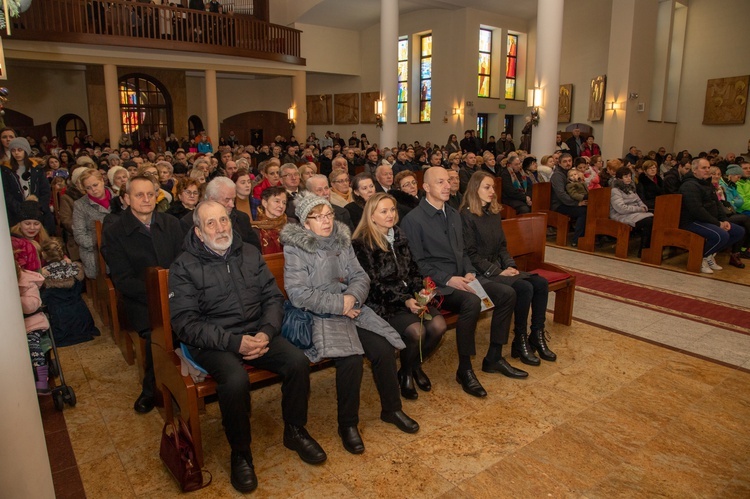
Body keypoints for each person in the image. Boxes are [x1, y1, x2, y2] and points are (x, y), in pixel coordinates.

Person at [280, 193, 419, 455]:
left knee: (382, 349)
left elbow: (360, 276)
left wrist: (352, 298)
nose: (326, 221)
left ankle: (392, 409)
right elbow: (298, 294)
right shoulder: (296, 248)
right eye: (318, 217)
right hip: (320, 315)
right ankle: (348, 424)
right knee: (351, 359)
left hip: (352, 308)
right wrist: (339, 304)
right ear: (305, 223)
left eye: (329, 215)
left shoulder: (342, 241)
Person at [401, 167, 523, 399]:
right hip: (435, 285)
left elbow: (463, 252)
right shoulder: (413, 220)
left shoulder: (453, 214)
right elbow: (417, 264)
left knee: (507, 293)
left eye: (448, 181)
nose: (447, 185)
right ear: (426, 187)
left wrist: (468, 271)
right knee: (471, 302)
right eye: (440, 182)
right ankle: (465, 369)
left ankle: (494, 356)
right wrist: (448, 278)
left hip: (461, 277)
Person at [352, 193, 447, 399]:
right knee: (416, 332)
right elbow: (372, 284)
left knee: (439, 326)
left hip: (408, 297)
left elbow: (413, 270)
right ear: (371, 215)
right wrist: (404, 299)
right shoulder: (362, 243)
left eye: (393, 210)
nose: (390, 215)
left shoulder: (399, 235)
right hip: (383, 303)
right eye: (384, 211)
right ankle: (408, 373)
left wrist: (420, 290)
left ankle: (409, 367)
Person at [102, 175, 184, 413]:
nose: (146, 199)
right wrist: (159, 295)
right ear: (126, 198)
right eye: (139, 195)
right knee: (157, 334)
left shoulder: (170, 223)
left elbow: (184, 262)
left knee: (197, 322)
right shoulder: (115, 231)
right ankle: (152, 389)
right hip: (142, 301)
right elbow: (122, 279)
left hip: (177, 294)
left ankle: (193, 379)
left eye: (151, 194)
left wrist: (177, 292)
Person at [460, 171, 555, 366]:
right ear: (474, 189)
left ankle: (536, 334)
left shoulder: (493, 213)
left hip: (498, 267)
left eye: (493, 187)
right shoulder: (466, 215)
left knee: (540, 283)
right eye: (487, 187)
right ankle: (519, 339)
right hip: (480, 272)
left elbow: (502, 247)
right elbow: (471, 254)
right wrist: (497, 271)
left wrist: (510, 266)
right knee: (524, 287)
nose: (492, 191)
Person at [678, 158, 745, 274]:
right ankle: (700, 259)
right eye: (704, 168)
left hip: (708, 220)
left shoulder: (707, 184)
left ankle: (709, 255)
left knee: (738, 231)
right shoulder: (689, 185)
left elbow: (717, 204)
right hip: (692, 222)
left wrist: (724, 220)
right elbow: (697, 210)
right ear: (694, 170)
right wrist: (718, 223)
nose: (707, 170)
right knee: (722, 235)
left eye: (709, 167)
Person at [40, 238, 100, 347]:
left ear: (43, 254)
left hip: (61, 321)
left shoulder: (45, 274)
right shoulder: (74, 268)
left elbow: (44, 298)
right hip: (81, 319)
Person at [181, 177, 261, 250]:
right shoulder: (189, 222)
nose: (232, 205)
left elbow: (254, 249)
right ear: (211, 199)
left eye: (233, 199)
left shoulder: (242, 218)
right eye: (227, 200)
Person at [2, 137, 55, 236]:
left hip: (38, 210)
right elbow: (6, 193)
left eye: (20, 150)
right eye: (13, 150)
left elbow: (45, 191)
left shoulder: (37, 168)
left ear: (26, 150)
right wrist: (20, 209)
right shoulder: (6, 170)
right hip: (17, 212)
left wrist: (39, 208)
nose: (16, 153)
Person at [72, 169, 113, 279]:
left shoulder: (119, 198)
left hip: (119, 245)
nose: (93, 190)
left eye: (95, 185)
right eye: (88, 188)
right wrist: (99, 243)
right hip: (94, 249)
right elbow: (79, 234)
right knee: (100, 265)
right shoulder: (80, 205)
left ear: (102, 180)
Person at [610, 167, 654, 257]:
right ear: (619, 179)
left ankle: (650, 249)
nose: (629, 178)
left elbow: (640, 202)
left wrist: (643, 207)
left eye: (630, 176)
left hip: (633, 213)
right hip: (621, 215)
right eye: (626, 176)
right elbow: (621, 208)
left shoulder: (630, 188)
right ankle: (643, 250)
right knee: (648, 222)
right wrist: (639, 209)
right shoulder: (615, 190)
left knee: (655, 219)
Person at [550, 153, 587, 247]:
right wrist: (576, 203)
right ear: (559, 163)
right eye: (565, 161)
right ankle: (577, 240)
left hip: (569, 202)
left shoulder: (572, 173)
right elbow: (561, 195)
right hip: (559, 204)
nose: (568, 163)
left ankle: (589, 237)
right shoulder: (557, 176)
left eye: (570, 161)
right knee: (583, 211)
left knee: (590, 207)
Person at [252, 186, 291, 254]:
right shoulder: (255, 229)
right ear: (265, 203)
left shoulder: (292, 224)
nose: (281, 206)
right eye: (277, 201)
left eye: (284, 203)